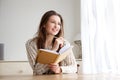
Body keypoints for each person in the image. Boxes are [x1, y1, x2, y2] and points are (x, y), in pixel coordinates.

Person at [25, 10, 77, 75]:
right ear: (44, 24)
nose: (56, 26)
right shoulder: (31, 44)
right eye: (53, 22)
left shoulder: (64, 43)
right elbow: (37, 70)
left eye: (59, 24)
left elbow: (74, 67)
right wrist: (54, 50)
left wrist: (60, 69)